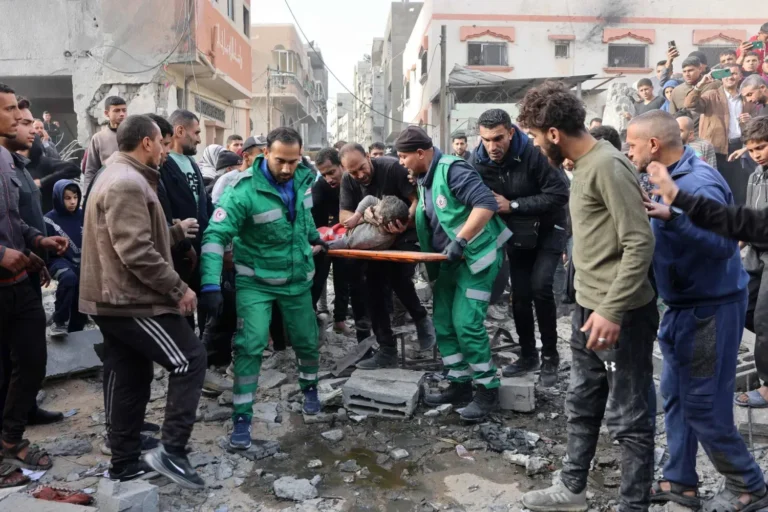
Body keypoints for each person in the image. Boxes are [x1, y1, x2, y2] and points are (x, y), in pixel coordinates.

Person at [517, 81, 658, 512]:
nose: (538, 147)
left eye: (538, 138)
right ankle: (572, 488)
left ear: (554, 133)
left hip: (621, 316)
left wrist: (611, 310)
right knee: (582, 400)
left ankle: (633, 506)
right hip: (588, 310)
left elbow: (639, 242)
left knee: (629, 417)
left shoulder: (608, 166)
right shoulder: (580, 168)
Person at [627, 110, 768, 511]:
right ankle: (681, 483)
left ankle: (748, 485)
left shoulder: (699, 181)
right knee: (674, 395)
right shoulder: (665, 177)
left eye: (632, 143)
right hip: (685, 305)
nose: (628, 150)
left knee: (703, 402)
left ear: (654, 145)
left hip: (710, 308)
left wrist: (673, 220)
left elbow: (725, 246)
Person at [80, 114, 206, 487]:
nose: (166, 151)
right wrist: (178, 288)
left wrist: (173, 231)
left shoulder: (119, 174)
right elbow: (135, 252)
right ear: (148, 143)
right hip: (128, 299)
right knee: (190, 359)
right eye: (162, 144)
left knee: (130, 374)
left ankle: (124, 463)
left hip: (111, 298)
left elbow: (136, 235)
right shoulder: (126, 182)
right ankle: (172, 451)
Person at [199, 127, 326, 449]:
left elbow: (304, 218)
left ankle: (310, 389)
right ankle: (242, 417)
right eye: (280, 160)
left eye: (293, 162)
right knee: (251, 344)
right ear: (265, 154)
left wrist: (315, 238)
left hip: (297, 280)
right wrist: (211, 284)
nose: (286, 169)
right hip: (256, 282)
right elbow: (215, 236)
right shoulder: (241, 191)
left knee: (307, 340)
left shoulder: (302, 180)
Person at [396, 125, 509, 421]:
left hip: (476, 259)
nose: (401, 162)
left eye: (403, 156)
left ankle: (487, 390)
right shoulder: (423, 178)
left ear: (421, 153)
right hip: (448, 262)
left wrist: (461, 240)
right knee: (444, 321)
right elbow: (433, 217)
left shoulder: (453, 170)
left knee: (466, 323)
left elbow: (485, 204)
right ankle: (459, 382)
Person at [0, 83, 70, 485]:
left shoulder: (9, 162)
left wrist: (37, 239)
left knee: (31, 360)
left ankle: (11, 439)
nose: (19, 117)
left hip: (19, 280)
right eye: (10, 110)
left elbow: (15, 220)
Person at [468, 108, 569, 387]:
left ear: (511, 133)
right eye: (486, 140)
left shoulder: (536, 153)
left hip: (549, 229)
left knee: (541, 287)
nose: (492, 146)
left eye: (498, 138)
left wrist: (513, 205)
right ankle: (528, 355)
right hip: (517, 233)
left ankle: (550, 356)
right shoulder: (477, 160)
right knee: (520, 296)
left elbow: (559, 194)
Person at [339, 143, 436, 367]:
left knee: (397, 276)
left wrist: (405, 221)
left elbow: (417, 199)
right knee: (370, 285)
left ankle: (421, 318)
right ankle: (386, 349)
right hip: (375, 236)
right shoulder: (348, 181)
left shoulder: (392, 168)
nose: (360, 175)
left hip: (405, 233)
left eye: (362, 168)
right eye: (353, 172)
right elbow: (345, 214)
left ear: (367, 156)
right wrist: (368, 216)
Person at [158, 110, 213, 341]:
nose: (199, 139)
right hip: (178, 249)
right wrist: (180, 242)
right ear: (180, 131)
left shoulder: (192, 163)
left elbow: (203, 204)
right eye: (197, 132)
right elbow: (163, 209)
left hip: (201, 245)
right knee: (182, 305)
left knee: (205, 299)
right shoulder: (164, 163)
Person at [312, 147, 369, 338]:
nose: (329, 178)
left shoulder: (354, 181)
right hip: (323, 239)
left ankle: (340, 320)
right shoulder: (319, 188)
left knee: (344, 279)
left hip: (348, 237)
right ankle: (310, 322)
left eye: (331, 172)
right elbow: (313, 217)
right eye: (323, 174)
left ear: (341, 166)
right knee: (317, 281)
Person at [684, 64, 757, 178]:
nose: (730, 77)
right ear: (721, 77)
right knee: (717, 185)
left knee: (739, 189)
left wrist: (750, 120)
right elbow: (689, 103)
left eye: (734, 73)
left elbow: (757, 123)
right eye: (726, 73)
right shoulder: (711, 95)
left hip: (740, 147)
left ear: (740, 76)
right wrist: (700, 84)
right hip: (716, 149)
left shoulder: (746, 98)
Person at [45, 180, 88, 337]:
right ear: (58, 198)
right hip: (59, 261)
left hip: (83, 262)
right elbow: (46, 251)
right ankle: (60, 321)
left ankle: (77, 328)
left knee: (80, 298)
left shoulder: (84, 215)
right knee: (69, 278)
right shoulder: (49, 220)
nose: (72, 202)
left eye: (75, 197)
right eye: (67, 198)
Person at [82, 96, 127, 192]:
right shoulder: (98, 138)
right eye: (117, 111)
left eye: (124, 110)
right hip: (107, 190)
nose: (122, 114)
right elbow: (91, 170)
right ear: (107, 113)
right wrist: (87, 195)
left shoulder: (135, 135)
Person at [331, 195, 410, 249]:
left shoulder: (368, 238)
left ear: (380, 219)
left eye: (376, 208)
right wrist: (356, 216)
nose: (372, 207)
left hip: (347, 237)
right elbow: (370, 199)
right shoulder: (384, 220)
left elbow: (346, 242)